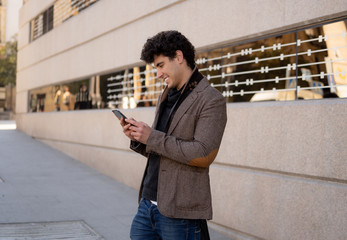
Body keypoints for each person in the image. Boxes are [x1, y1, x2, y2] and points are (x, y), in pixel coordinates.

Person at [120, 30, 227, 240]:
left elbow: (203, 154)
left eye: (160, 65)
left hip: (180, 213)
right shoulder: (166, 95)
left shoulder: (211, 100)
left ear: (179, 57)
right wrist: (139, 137)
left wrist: (151, 137)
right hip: (147, 205)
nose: (158, 74)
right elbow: (162, 149)